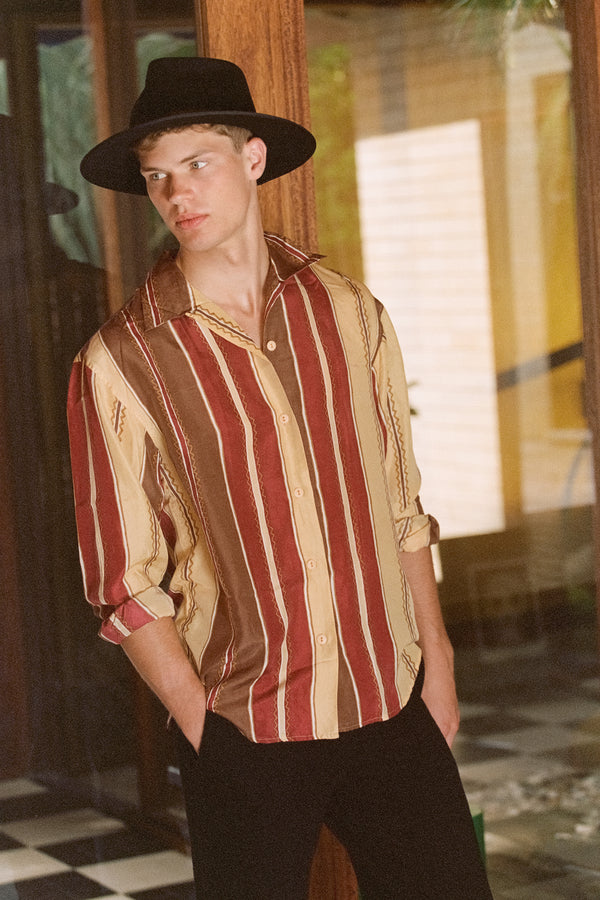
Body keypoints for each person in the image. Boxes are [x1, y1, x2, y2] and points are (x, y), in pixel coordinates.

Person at [68, 56, 493, 899]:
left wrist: (435, 666)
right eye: (158, 178)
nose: (178, 194)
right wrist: (199, 722)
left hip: (389, 704)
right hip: (246, 724)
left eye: (199, 164)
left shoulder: (346, 310)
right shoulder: (120, 363)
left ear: (253, 158)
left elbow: (401, 504)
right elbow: (122, 579)